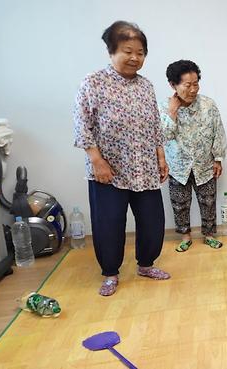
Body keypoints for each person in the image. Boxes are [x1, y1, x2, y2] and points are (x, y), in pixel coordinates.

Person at [73, 21, 170, 297]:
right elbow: (82, 125)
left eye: (140, 52)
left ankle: (146, 264)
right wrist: (96, 161)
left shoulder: (146, 86)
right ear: (111, 51)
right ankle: (110, 273)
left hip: (145, 167)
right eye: (128, 51)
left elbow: (154, 125)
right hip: (109, 170)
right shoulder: (93, 82)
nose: (135, 58)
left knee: (152, 220)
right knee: (109, 222)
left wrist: (160, 157)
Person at [159, 60, 227, 252]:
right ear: (173, 85)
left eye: (196, 83)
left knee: (208, 201)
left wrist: (218, 158)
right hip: (178, 166)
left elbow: (218, 132)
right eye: (187, 85)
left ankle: (209, 235)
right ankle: (185, 236)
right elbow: (163, 136)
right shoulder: (164, 107)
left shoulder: (208, 105)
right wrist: (172, 111)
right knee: (179, 203)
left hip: (204, 164)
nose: (193, 89)